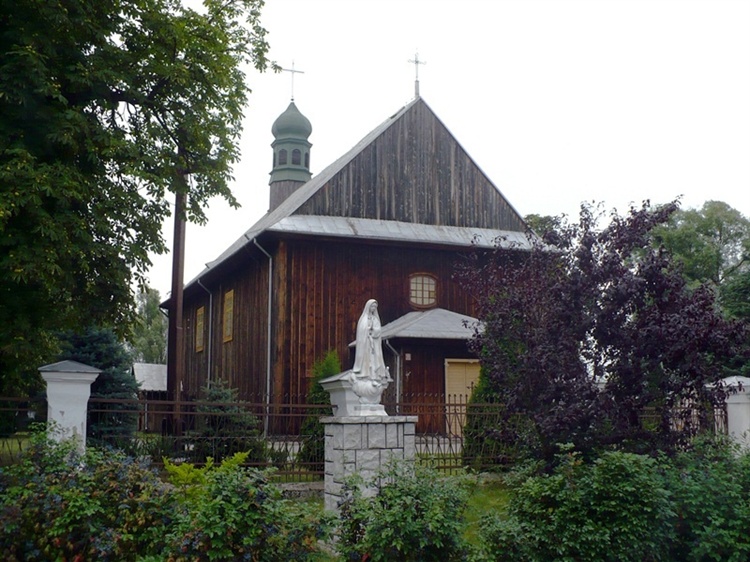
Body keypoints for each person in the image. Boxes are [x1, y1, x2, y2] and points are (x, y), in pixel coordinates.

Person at [351, 299, 390, 385]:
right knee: (366, 360)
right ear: (368, 307)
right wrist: (367, 330)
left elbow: (378, 330)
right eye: (372, 306)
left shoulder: (375, 319)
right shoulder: (363, 319)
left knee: (374, 359)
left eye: (375, 307)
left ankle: (374, 376)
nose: (373, 308)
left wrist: (373, 330)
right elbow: (361, 330)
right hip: (365, 343)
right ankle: (364, 374)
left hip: (374, 344)